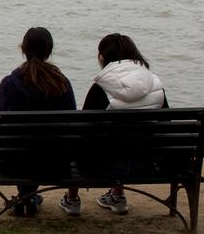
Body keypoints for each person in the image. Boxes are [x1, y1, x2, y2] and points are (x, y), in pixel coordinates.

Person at [61, 32, 167, 216]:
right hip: (147, 163)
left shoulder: (101, 88)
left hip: (103, 165)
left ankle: (71, 199)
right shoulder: (155, 84)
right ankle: (117, 196)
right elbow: (165, 125)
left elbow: (83, 130)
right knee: (129, 141)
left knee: (78, 139)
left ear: (102, 57)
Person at [0, 26, 76, 217]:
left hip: (12, 162)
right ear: (49, 51)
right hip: (57, 163)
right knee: (39, 146)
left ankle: (26, 196)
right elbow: (71, 124)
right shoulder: (62, 83)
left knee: (22, 144)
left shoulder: (9, 84)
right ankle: (27, 197)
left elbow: (0, 127)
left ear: (23, 49)